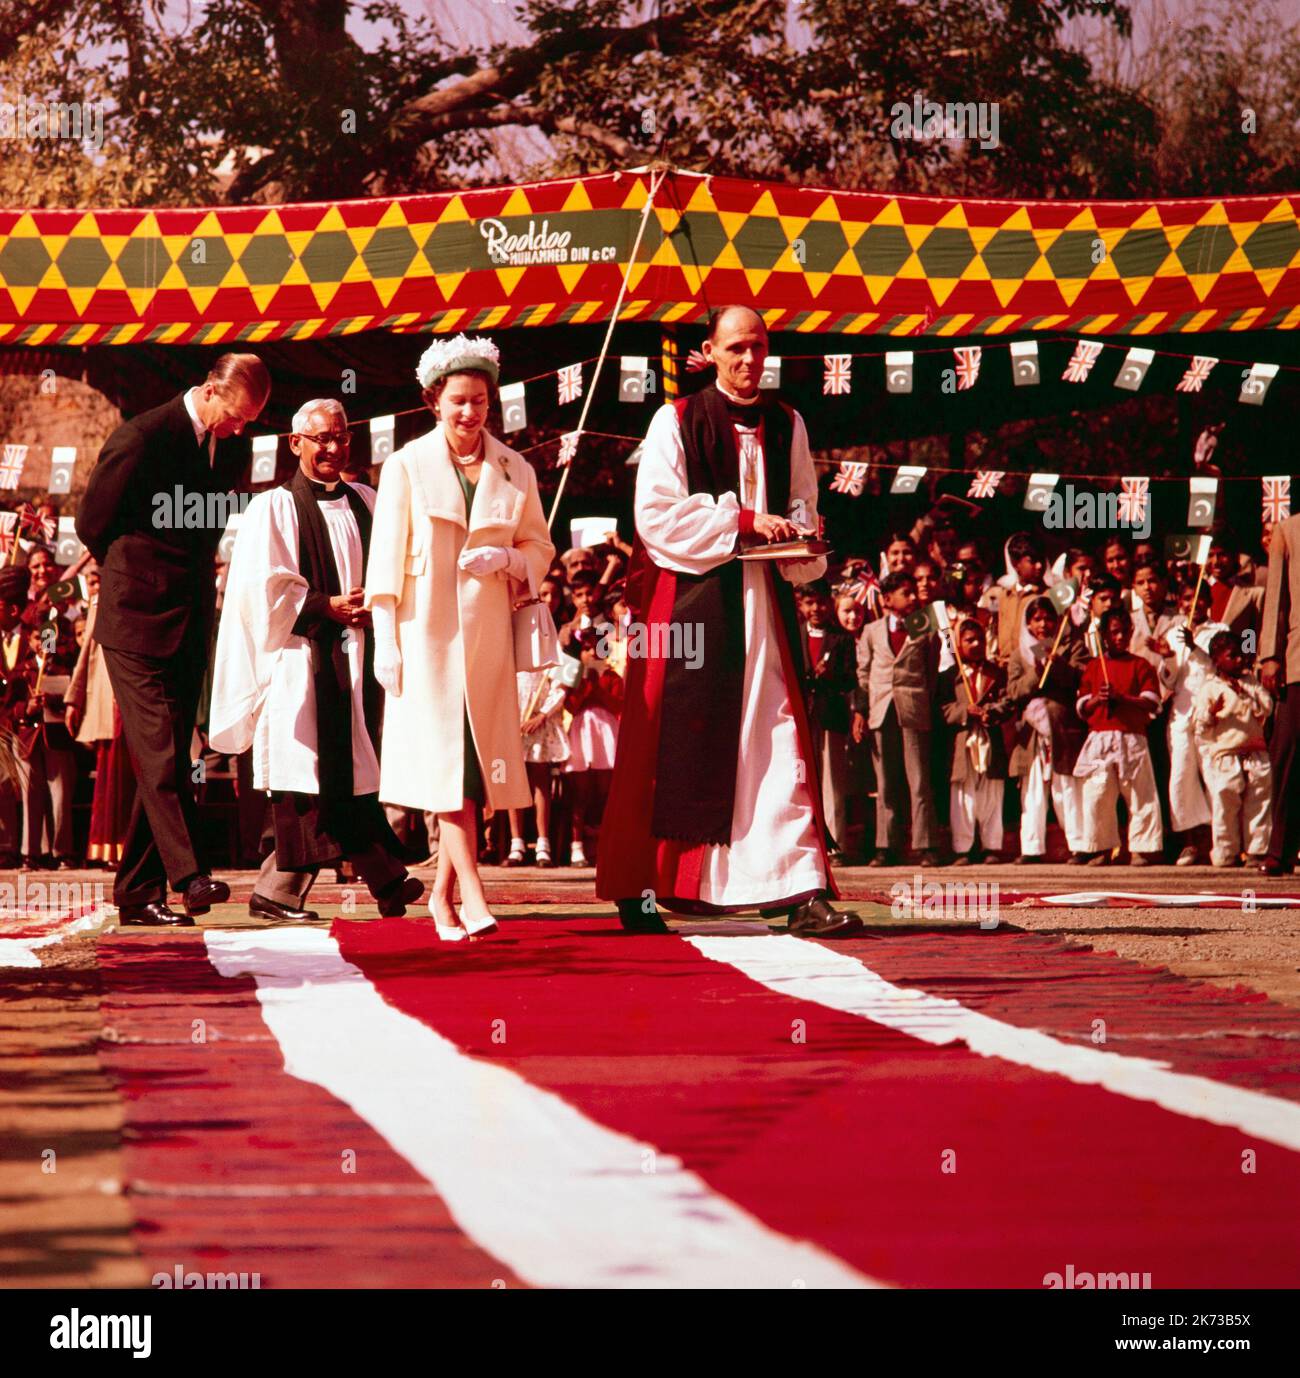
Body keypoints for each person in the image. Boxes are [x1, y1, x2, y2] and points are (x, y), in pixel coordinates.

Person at [595, 305, 858, 937]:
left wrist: (801, 538)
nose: (748, 360)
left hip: (764, 609)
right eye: (735, 348)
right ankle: (646, 887)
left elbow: (801, 502)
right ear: (710, 351)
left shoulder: (787, 423)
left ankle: (798, 889)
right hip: (690, 608)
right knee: (668, 742)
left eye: (759, 348)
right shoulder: (675, 419)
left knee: (776, 739)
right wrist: (744, 522)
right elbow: (656, 518)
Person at [365, 335, 554, 940]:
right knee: (444, 768)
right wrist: (385, 639)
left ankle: (442, 900)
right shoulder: (405, 465)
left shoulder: (514, 468)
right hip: (426, 637)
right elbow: (384, 560)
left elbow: (540, 548)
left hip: (487, 637)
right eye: (458, 402)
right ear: (433, 403)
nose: (469, 413)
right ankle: (473, 895)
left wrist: (507, 556)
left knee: (472, 774)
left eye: (479, 402)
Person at [209, 399, 424, 922]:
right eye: (321, 438)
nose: (332, 448)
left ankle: (386, 880)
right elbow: (259, 592)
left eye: (341, 437)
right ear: (295, 443)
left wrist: (380, 603)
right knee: (307, 780)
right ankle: (276, 893)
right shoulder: (272, 508)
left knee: (354, 773)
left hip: (362, 660)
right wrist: (325, 605)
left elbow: (404, 565)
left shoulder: (370, 500)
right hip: (301, 660)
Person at [76, 352, 270, 925]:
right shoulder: (141, 438)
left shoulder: (230, 444)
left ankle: (138, 891)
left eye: (250, 421)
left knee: (165, 758)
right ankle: (190, 876)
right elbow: (92, 522)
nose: (241, 430)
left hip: (188, 620)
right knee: (160, 751)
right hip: (134, 617)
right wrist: (137, 567)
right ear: (210, 390)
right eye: (235, 416)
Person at [853, 570, 940, 867]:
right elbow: (863, 674)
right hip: (881, 710)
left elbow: (932, 671)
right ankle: (885, 845)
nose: (914, 597)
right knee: (885, 782)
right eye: (906, 592)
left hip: (913, 708)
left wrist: (924, 701)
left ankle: (925, 844)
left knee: (918, 780)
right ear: (887, 599)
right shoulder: (872, 630)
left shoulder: (925, 625)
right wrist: (861, 712)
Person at [1074, 607, 1163, 865]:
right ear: (1104, 635)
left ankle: (1141, 848)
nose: (1121, 637)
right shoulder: (1093, 667)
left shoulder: (1141, 665)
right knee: (1098, 793)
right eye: (1115, 632)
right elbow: (1082, 706)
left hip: (1132, 737)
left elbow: (1152, 702)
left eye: (1125, 631)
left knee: (1139, 792)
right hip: (1100, 736)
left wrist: (1122, 698)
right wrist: (1098, 699)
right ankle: (1101, 848)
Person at [1007, 597, 1088, 863]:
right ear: (1028, 623)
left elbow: (1081, 678)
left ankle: (1078, 845)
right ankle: (1031, 848)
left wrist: (1057, 665)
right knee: (1032, 791)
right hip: (1032, 734)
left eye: (1047, 618)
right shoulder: (1020, 654)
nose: (1043, 624)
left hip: (1062, 727)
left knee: (1066, 788)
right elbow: (1014, 692)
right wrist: (1035, 673)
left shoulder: (1072, 646)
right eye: (1037, 619)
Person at [65, 566, 136, 867]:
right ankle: (112, 850)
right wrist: (73, 698)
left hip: (136, 694)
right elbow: (87, 654)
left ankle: (140, 850)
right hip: (108, 697)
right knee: (112, 777)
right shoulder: (98, 602)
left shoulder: (137, 591)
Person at [1192, 631, 1273, 869]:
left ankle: (1257, 850)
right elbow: (1200, 725)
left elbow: (1266, 708)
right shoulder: (1210, 688)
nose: (1240, 661)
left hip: (1255, 753)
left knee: (1258, 803)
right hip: (1225, 755)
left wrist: (1247, 696)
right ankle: (1226, 852)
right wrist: (1212, 713)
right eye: (1233, 656)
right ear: (1217, 660)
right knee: (1225, 804)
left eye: (1242, 656)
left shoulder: (1251, 683)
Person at [940, 617, 1012, 864]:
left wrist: (991, 711)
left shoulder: (996, 672)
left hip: (990, 738)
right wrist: (964, 711)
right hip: (963, 741)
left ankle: (991, 846)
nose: (975, 644)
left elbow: (1008, 701)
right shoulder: (951, 676)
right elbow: (943, 708)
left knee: (992, 793)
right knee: (963, 794)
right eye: (969, 640)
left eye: (979, 639)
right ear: (958, 644)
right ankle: (963, 848)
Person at [796, 579, 857, 861]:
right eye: (809, 603)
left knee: (832, 782)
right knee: (802, 779)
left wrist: (830, 674)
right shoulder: (793, 636)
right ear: (800, 604)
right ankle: (806, 842)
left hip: (830, 715)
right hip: (801, 716)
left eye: (820, 602)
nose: (816, 608)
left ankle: (836, 846)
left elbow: (850, 680)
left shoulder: (841, 639)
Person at [1259, 511, 1300, 873]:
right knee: (1286, 753)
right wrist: (1270, 655)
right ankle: (1280, 849)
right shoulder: (1289, 530)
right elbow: (1276, 599)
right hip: (1297, 658)